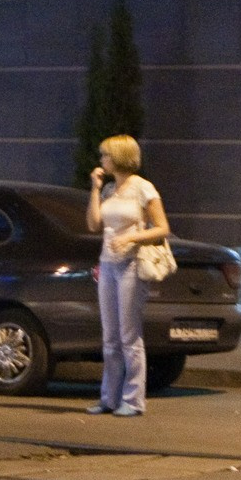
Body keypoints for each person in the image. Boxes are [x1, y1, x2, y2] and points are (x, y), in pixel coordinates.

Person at [86, 134, 170, 417]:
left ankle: (133, 400)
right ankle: (109, 397)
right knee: (109, 337)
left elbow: (162, 228)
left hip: (131, 265)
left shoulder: (143, 188)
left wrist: (132, 239)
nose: (102, 160)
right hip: (107, 265)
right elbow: (94, 224)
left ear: (119, 156)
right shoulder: (110, 189)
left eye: (105, 155)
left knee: (128, 336)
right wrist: (95, 190)